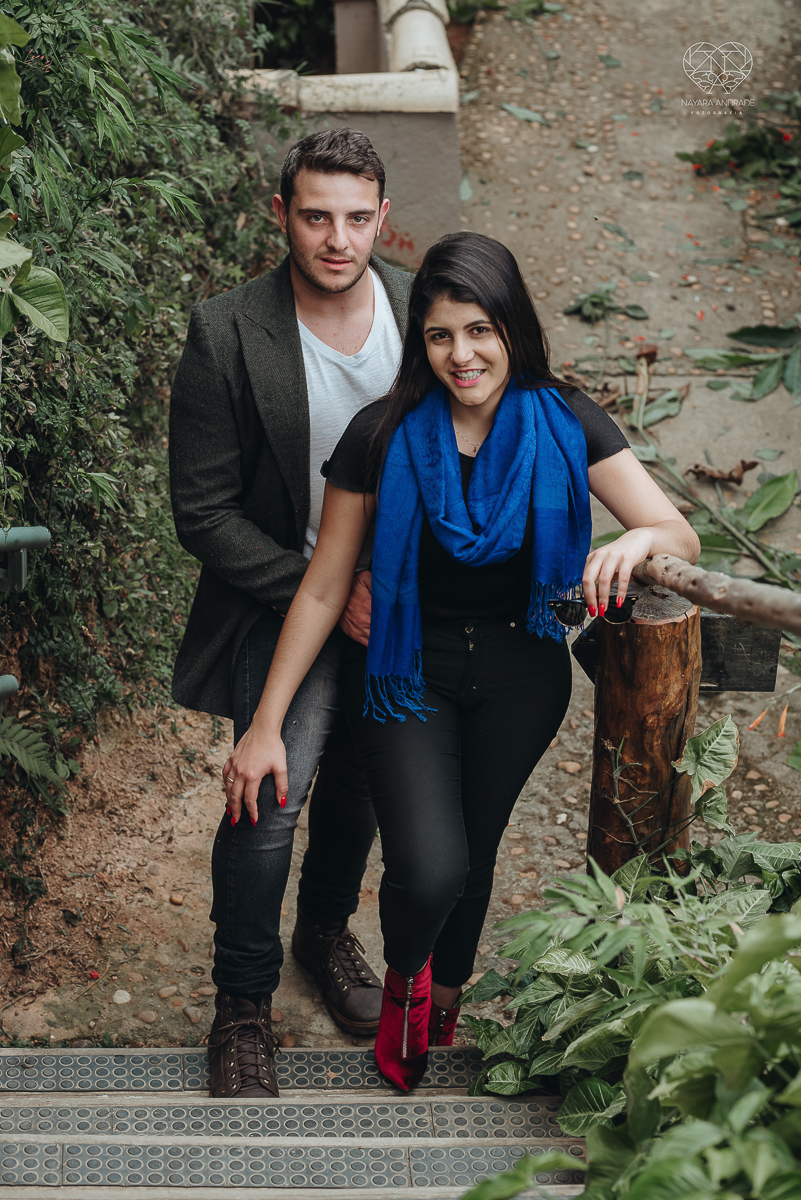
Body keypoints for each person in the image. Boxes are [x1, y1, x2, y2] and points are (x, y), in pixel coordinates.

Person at [222, 231, 701, 1091]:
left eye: (479, 330)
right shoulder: (380, 436)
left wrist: (634, 541)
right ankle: (406, 987)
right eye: (440, 335)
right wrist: (265, 725)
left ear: (511, 326)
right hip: (409, 675)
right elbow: (326, 590)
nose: (461, 354)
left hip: (523, 677)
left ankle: (445, 1001)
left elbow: (676, 531)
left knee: (474, 859)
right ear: (422, 340)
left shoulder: (567, 419)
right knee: (429, 864)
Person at [169, 128, 414, 1099]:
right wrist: (320, 588)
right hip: (282, 595)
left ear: (384, 218)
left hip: (397, 605)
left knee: (363, 782)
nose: (337, 239)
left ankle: (323, 935)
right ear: (282, 215)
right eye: (316, 216)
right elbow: (204, 513)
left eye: (358, 218)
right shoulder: (227, 331)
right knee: (269, 795)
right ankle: (241, 1007)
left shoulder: (423, 313)